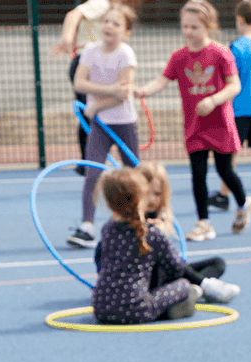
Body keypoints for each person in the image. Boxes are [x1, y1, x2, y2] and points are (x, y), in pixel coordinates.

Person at [137, 0, 251, 242]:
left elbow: (235, 86)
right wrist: (144, 90)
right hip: (195, 126)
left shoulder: (221, 53)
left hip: (220, 123)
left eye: (194, 27)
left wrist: (213, 100)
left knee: (225, 170)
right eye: (185, 26)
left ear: (208, 26)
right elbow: (161, 80)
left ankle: (244, 204)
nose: (188, 32)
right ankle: (204, 223)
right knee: (197, 173)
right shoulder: (179, 57)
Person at [66, 3, 140, 248]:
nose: (108, 26)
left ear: (126, 32)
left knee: (133, 175)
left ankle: (140, 221)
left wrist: (96, 106)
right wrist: (107, 93)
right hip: (100, 125)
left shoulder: (126, 54)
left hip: (123, 123)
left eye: (116, 23)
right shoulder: (89, 51)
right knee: (92, 173)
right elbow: (79, 83)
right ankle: (86, 226)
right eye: (106, 21)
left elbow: (123, 94)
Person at [90, 167, 201, 325]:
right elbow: (177, 269)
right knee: (183, 285)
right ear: (140, 197)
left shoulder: (107, 230)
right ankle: (174, 309)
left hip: (101, 310)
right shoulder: (153, 233)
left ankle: (170, 308)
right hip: (138, 311)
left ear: (109, 203)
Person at [130, 161, 239, 303]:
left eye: (157, 193)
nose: (151, 199)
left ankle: (192, 289)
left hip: (164, 274)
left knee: (218, 263)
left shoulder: (157, 214)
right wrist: (153, 235)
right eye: (146, 193)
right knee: (175, 267)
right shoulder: (128, 216)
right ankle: (202, 286)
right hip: (142, 279)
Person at [208, 0, 251, 213]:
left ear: (239, 20)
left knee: (230, 155)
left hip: (238, 109)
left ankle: (224, 194)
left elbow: (228, 77)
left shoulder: (236, 47)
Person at [50, 0, 113, 173]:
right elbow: (73, 15)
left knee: (93, 114)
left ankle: (89, 162)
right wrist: (67, 38)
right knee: (92, 114)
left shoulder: (113, 8)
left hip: (97, 64)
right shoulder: (101, 3)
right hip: (88, 65)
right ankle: (90, 162)